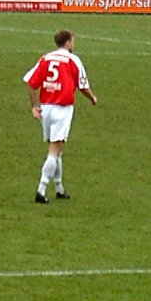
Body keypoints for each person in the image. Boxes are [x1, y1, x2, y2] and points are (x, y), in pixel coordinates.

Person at [24, 29, 97, 204]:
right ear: (67, 43)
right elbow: (82, 85)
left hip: (46, 108)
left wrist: (34, 107)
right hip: (62, 109)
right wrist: (92, 98)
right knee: (55, 149)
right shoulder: (73, 60)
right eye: (72, 41)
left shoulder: (46, 58)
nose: (73, 44)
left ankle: (59, 188)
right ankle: (41, 190)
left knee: (57, 148)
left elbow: (30, 82)